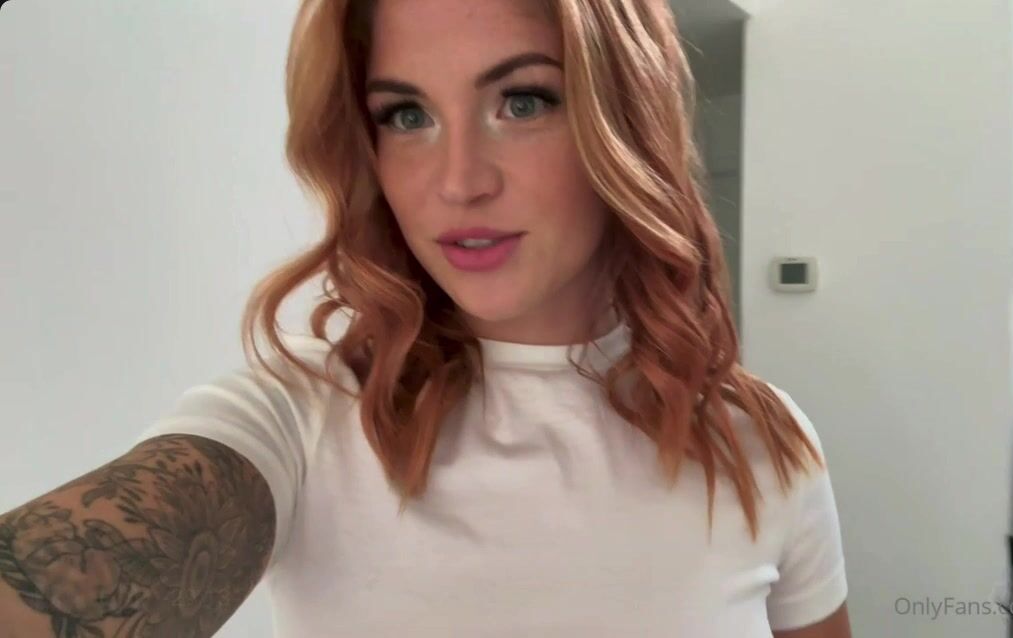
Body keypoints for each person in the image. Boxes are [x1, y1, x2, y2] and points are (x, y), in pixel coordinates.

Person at [0, 0, 852, 636]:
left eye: (523, 101)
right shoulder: (299, 412)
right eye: (407, 116)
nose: (458, 182)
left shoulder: (763, 443)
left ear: (624, 124)